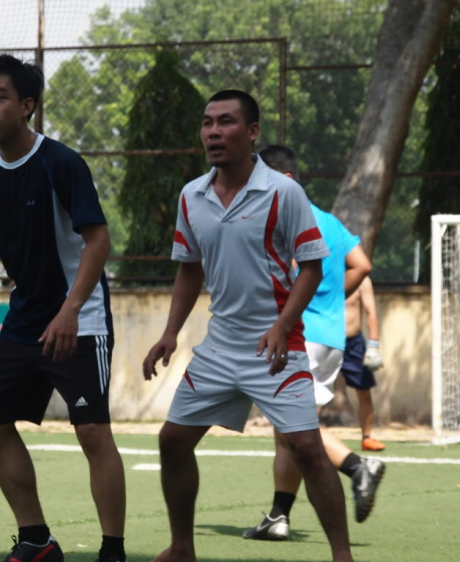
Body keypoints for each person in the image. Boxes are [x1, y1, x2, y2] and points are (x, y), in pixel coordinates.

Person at [143, 90, 354, 562]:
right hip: (220, 347)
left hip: (276, 346)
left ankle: (343, 555)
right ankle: (181, 548)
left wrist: (282, 325)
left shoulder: (283, 191)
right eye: (207, 123)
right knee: (172, 442)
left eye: (226, 122)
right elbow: (189, 269)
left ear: (252, 131)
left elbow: (312, 268)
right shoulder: (191, 195)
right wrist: (170, 332)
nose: (214, 132)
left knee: (306, 448)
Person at [0, 54, 126, 562]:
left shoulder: (61, 163)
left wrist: (71, 310)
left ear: (27, 105)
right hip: (25, 319)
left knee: (92, 432)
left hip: (81, 318)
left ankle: (112, 550)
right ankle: (36, 540)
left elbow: (99, 241)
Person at [243, 145, 384, 542]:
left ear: (283, 179)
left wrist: (301, 303)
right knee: (286, 430)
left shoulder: (285, 217)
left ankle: (358, 468)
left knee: (294, 426)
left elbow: (281, 274)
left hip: (299, 335)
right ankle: (278, 517)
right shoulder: (328, 219)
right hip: (331, 338)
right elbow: (363, 264)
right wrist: (329, 295)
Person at [343, 276, 386, 451]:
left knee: (364, 392)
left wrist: (374, 345)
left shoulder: (361, 280)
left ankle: (367, 438)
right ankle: (309, 437)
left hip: (353, 344)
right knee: (314, 393)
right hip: (324, 341)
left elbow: (371, 312)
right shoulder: (321, 272)